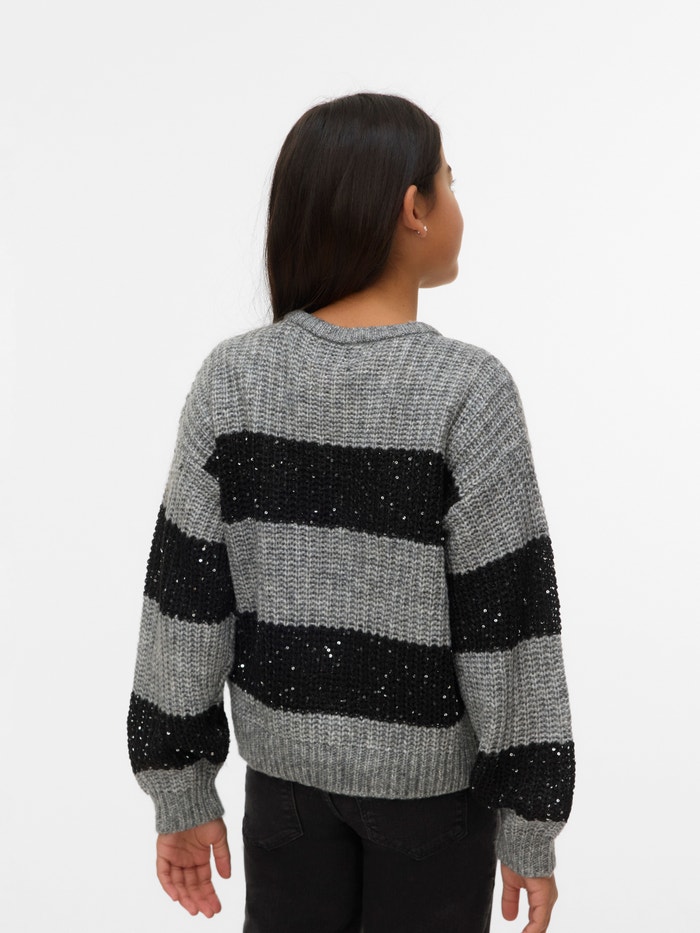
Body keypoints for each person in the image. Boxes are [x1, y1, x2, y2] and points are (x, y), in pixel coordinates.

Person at [127, 92, 575, 933]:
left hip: (283, 794)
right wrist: (530, 823)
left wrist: (179, 790)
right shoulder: (469, 392)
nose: (455, 200)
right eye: (449, 180)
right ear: (413, 208)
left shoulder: (232, 379)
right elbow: (509, 628)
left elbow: (183, 606)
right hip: (433, 803)